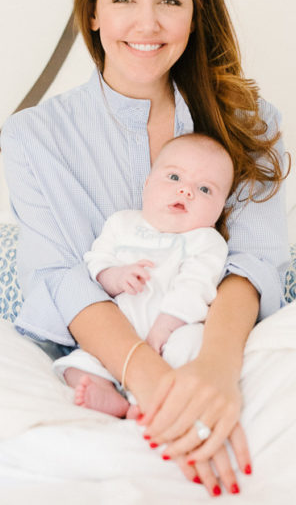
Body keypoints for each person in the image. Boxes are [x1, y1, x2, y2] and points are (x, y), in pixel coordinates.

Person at [1, 0, 289, 497]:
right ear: (94, 12)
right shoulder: (37, 137)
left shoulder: (250, 123)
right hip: (103, 366)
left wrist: (213, 370)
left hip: (214, 347)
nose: (148, 23)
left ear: (195, 11)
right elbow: (61, 279)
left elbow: (253, 262)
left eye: (171, 1)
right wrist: (157, 385)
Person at [53, 133, 234, 419]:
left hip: (172, 330)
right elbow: (96, 263)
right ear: (147, 184)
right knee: (75, 365)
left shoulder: (206, 241)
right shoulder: (121, 223)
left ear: (219, 209)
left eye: (204, 189)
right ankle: (111, 397)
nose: (186, 191)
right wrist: (116, 276)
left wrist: (167, 324)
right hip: (118, 330)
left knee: (193, 344)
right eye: (174, 178)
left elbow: (196, 286)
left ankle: (150, 399)